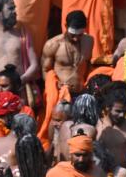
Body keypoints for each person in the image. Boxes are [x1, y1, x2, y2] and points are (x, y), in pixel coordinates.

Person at [38, 11, 94, 144]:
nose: (76, 39)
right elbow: (45, 70)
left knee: (81, 131)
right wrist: (54, 85)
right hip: (60, 98)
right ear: (65, 26)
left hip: (81, 94)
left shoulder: (89, 41)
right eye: (73, 35)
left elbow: (88, 64)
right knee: (58, 132)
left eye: (79, 35)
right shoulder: (53, 45)